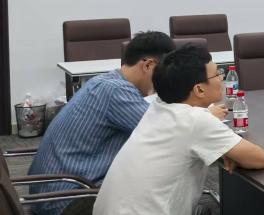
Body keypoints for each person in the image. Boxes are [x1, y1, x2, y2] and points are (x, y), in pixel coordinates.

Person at [93, 45, 264, 215]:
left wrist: (223, 150)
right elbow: (259, 159)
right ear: (199, 89)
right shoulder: (196, 120)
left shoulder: (158, 106)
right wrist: (229, 152)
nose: (222, 78)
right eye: (217, 74)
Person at [27, 31, 177, 215]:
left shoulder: (104, 81)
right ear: (148, 65)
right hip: (70, 199)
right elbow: (166, 133)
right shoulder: (116, 91)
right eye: (164, 73)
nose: (164, 80)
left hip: (50, 192)